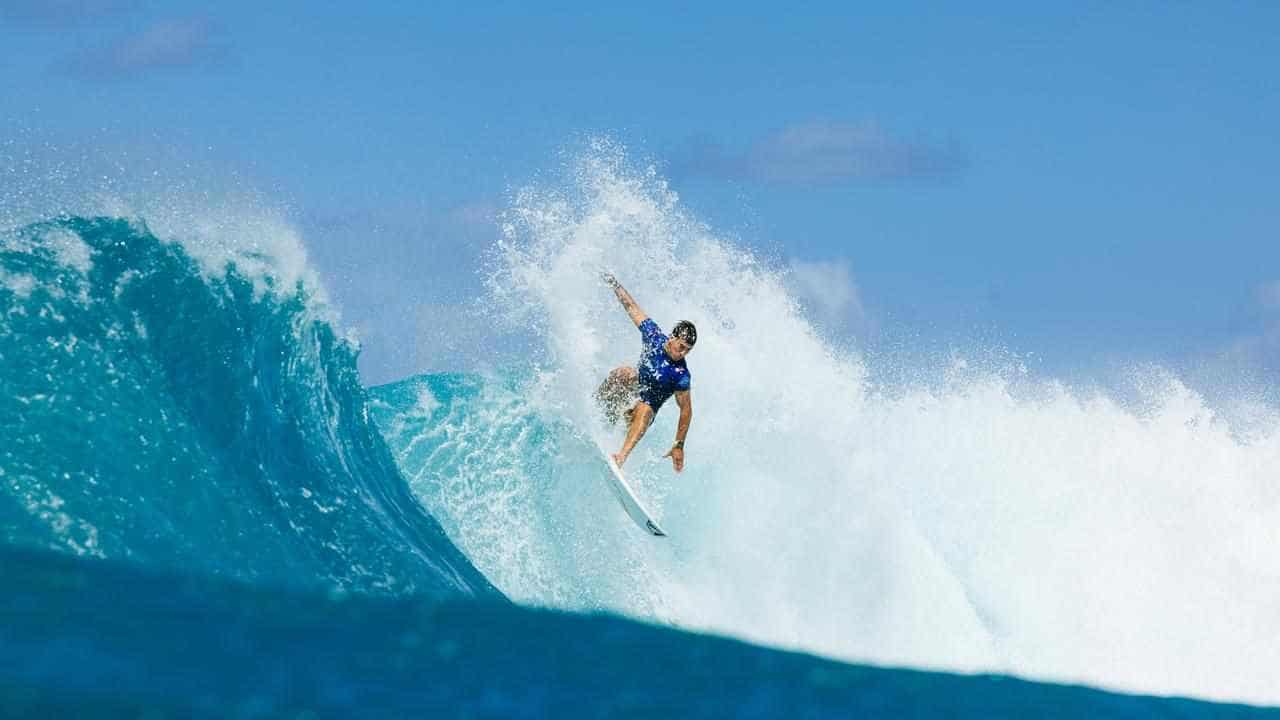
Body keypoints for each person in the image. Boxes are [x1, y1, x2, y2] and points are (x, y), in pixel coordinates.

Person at [595, 272, 695, 472]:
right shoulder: (654, 337)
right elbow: (632, 307)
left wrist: (679, 445)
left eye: (687, 350)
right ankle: (595, 410)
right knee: (624, 373)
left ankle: (620, 457)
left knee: (645, 406)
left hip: (640, 416)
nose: (683, 353)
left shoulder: (680, 374)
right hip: (626, 397)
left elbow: (686, 410)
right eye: (682, 346)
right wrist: (614, 284)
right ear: (672, 338)